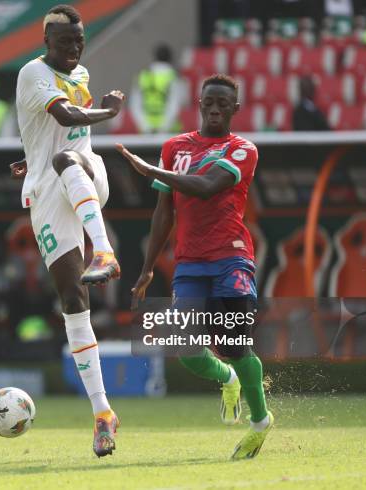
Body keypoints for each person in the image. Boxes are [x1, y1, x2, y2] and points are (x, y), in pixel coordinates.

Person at [116, 74, 273, 460]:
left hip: (231, 258)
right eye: (209, 102)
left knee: (235, 345)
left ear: (235, 109)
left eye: (223, 103)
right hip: (189, 263)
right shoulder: (174, 147)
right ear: (199, 105)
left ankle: (260, 421)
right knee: (186, 349)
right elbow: (163, 211)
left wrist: (150, 171)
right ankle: (228, 379)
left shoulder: (242, 150)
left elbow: (205, 186)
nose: (215, 108)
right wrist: (149, 267)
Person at [11, 4, 124, 457]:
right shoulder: (30, 74)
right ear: (46, 44)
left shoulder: (81, 72)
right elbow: (64, 119)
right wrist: (108, 112)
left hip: (85, 174)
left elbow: (70, 137)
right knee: (73, 300)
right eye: (65, 42)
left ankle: (105, 251)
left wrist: (51, 150)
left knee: (67, 159)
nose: (75, 49)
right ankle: (103, 414)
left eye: (79, 40)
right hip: (46, 192)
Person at [129, 44, 183, 134]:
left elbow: (135, 105)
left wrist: (144, 126)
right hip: (169, 132)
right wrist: (164, 127)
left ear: (154, 57)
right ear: (171, 58)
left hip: (145, 132)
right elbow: (175, 105)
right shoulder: (173, 77)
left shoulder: (142, 76)